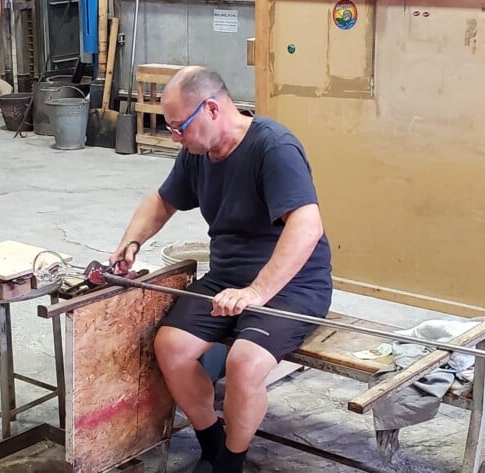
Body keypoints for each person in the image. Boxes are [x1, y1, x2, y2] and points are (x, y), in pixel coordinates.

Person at [108, 66, 332, 473]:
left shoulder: (273, 147)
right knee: (171, 347)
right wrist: (132, 242)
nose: (175, 137)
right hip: (228, 277)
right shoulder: (199, 152)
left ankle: (231, 462)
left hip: (292, 284)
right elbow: (162, 200)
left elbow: (307, 225)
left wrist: (257, 293)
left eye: (179, 127)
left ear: (211, 108)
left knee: (243, 364)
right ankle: (211, 442)